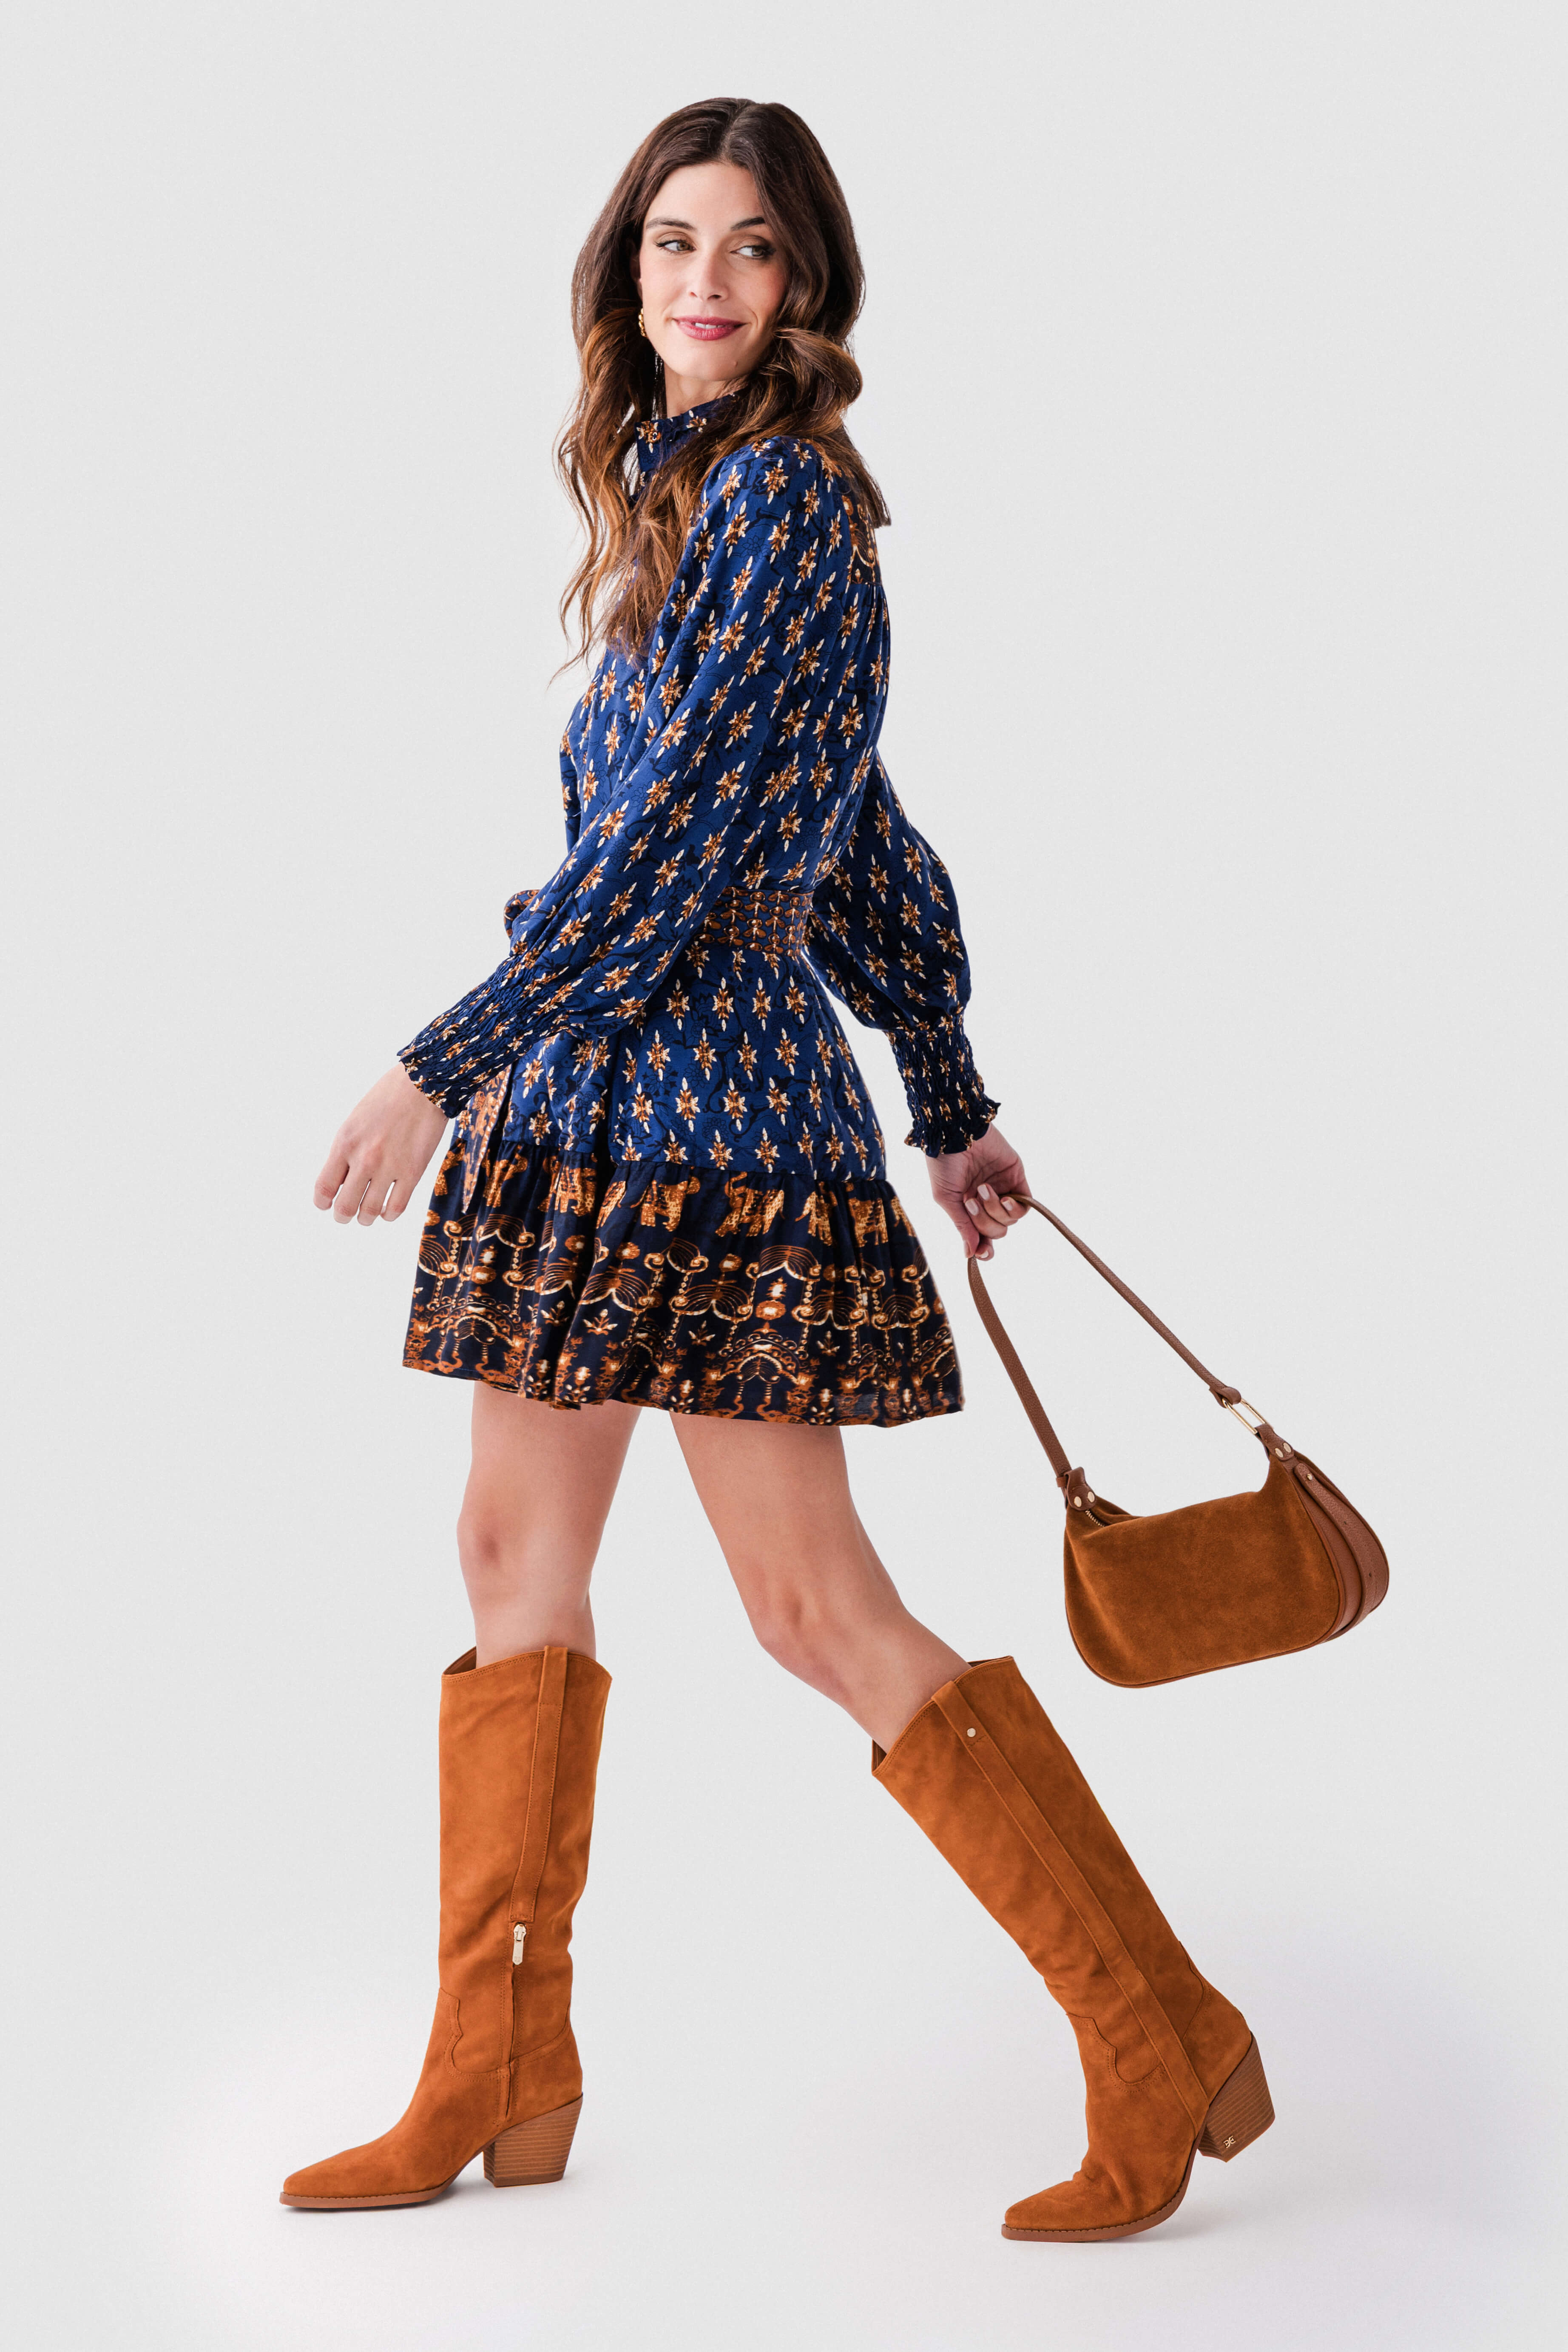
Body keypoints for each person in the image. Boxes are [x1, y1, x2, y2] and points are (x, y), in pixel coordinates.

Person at [281, 97, 1271, 2240]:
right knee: (505, 1556)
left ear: (803, 279)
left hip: (711, 1115)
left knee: (812, 1607)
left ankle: (1160, 2031)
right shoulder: (684, 501)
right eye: (671, 242)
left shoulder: (789, 507)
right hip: (590, 1109)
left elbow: (681, 850)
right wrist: (950, 1088)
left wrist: (441, 1064)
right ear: (624, 275)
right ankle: (494, 2070)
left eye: (747, 246)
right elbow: (868, 835)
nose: (705, 281)